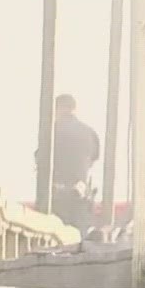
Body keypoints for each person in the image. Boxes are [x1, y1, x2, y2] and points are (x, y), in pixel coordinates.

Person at [38, 93, 102, 230]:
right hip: (80, 195)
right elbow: (93, 159)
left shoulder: (51, 130)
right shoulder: (90, 132)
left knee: (56, 239)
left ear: (58, 109)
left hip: (57, 196)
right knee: (80, 239)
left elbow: (41, 159)